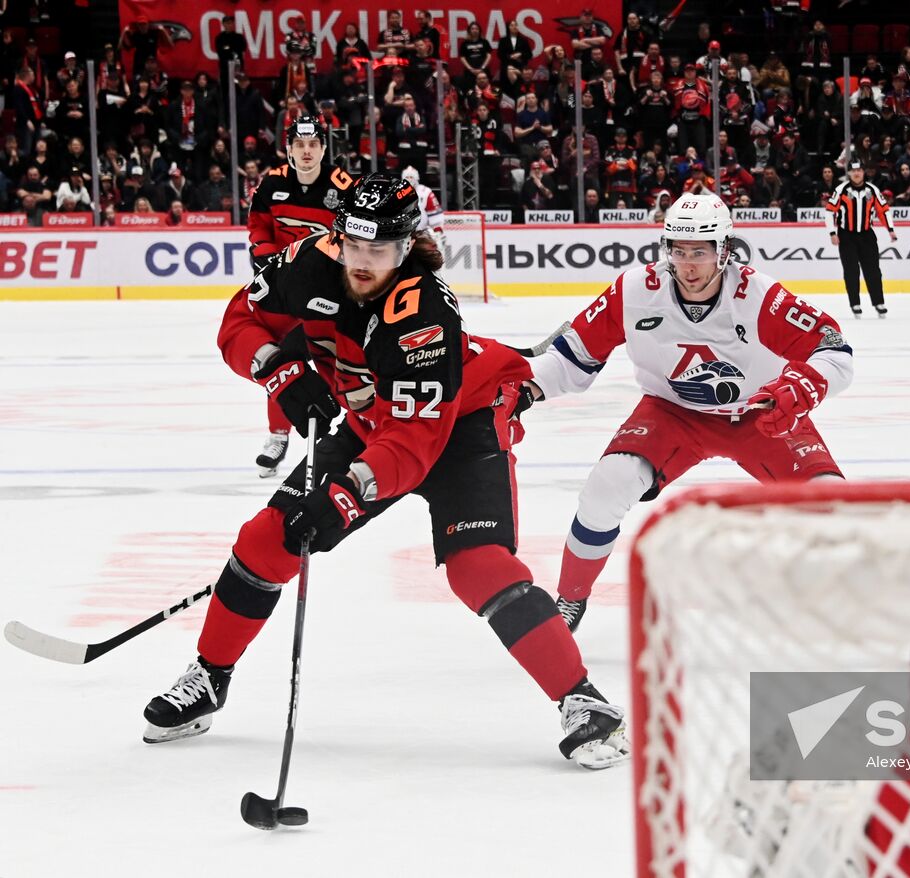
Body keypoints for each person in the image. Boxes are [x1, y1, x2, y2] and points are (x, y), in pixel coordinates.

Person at [142, 173, 628, 770]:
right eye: (354, 246)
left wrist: (343, 498)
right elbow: (239, 322)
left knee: (478, 567)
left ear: (406, 248)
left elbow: (415, 444)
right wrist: (279, 372)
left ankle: (582, 701)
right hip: (375, 419)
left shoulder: (425, 308)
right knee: (265, 538)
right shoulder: (305, 262)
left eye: (381, 251)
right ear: (337, 237)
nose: (364, 262)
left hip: (461, 420)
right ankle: (210, 678)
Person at [523, 193, 854, 631]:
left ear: (724, 251)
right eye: (678, 251)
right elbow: (571, 356)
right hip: (671, 411)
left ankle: (853, 605)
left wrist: (802, 387)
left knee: (831, 502)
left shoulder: (758, 295)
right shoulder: (636, 289)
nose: (687, 264)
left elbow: (834, 349)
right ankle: (570, 599)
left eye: (699, 251)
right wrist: (527, 388)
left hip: (760, 412)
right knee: (607, 486)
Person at [245, 115, 356, 478]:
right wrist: (263, 254)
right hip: (283, 291)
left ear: (324, 148)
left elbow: (356, 237)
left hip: (328, 293)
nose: (307, 152)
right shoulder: (272, 183)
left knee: (336, 361)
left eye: (313, 145)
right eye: (299, 145)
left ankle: (347, 431)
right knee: (280, 361)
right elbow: (258, 226)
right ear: (289, 149)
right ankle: (278, 435)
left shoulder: (342, 187)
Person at [824, 160, 897, 319]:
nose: (856, 174)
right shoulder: (841, 189)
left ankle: (879, 302)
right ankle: (854, 303)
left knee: (873, 270)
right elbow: (830, 211)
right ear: (849, 173)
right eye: (853, 171)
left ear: (863, 172)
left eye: (859, 171)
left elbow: (883, 211)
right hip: (846, 235)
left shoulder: (873, 190)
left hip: (867, 235)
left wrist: (890, 230)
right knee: (851, 271)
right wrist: (832, 233)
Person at [399, 165, 446, 251]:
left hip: (422, 235)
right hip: (403, 237)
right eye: (407, 177)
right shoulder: (397, 193)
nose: (409, 179)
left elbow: (436, 217)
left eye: (411, 177)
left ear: (417, 178)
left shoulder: (425, 192)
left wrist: (438, 232)